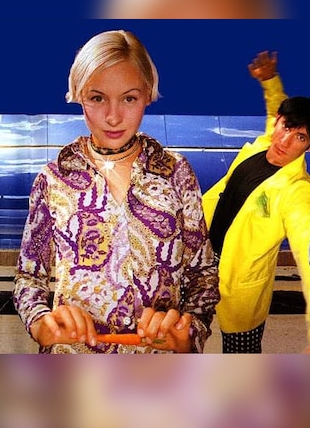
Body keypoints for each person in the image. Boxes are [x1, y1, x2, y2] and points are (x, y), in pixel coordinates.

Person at [12, 30, 219, 353]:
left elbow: (203, 274)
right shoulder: (53, 180)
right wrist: (41, 323)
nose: (113, 116)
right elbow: (29, 279)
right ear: (79, 94)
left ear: (148, 93)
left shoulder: (177, 174)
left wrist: (189, 331)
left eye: (129, 98)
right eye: (97, 98)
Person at [202, 51, 310, 354]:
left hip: (240, 284)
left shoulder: (297, 190)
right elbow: (275, 107)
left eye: (300, 137)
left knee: (241, 358)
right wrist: (270, 80)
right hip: (199, 260)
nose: (285, 141)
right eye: (285, 126)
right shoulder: (267, 142)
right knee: (180, 339)